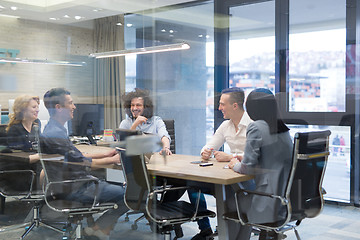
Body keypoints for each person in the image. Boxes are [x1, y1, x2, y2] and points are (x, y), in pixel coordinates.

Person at [41, 88, 129, 240]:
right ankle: (98, 228)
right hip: (76, 187)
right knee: (130, 196)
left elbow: (77, 156)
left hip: (72, 184)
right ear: (58, 108)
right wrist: (113, 160)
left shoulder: (55, 129)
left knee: (121, 188)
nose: (74, 106)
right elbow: (82, 163)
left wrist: (106, 153)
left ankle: (99, 229)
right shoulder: (56, 134)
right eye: (71, 103)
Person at [228, 88, 293, 239]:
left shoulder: (256, 126)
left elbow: (247, 168)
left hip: (268, 201)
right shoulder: (283, 129)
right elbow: (272, 158)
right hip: (287, 201)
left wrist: (234, 164)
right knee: (238, 201)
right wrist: (244, 158)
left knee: (230, 203)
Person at [189, 87, 252, 240]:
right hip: (229, 175)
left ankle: (231, 230)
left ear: (235, 106)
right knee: (192, 185)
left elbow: (254, 156)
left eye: (223, 104)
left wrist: (230, 156)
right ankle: (206, 229)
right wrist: (206, 151)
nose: (219, 108)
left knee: (228, 195)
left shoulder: (252, 125)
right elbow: (210, 145)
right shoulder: (225, 126)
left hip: (247, 178)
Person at [119, 88, 172, 155]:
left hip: (155, 160)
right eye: (132, 105)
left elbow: (164, 136)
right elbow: (124, 147)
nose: (134, 108)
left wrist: (166, 148)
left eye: (138, 105)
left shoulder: (156, 121)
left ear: (145, 107)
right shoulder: (125, 123)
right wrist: (135, 124)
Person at [6, 95, 41, 162]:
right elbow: (18, 159)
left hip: (37, 165)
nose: (37, 110)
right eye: (34, 107)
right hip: (23, 169)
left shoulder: (36, 125)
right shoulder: (15, 130)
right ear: (23, 110)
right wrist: (39, 156)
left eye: (38, 107)